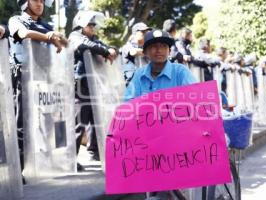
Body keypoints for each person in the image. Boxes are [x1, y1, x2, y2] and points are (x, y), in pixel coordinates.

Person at [8, 0, 67, 177]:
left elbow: (65, 41)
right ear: (25, 2)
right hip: (24, 77)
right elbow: (23, 33)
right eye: (36, 0)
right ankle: (17, 171)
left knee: (50, 121)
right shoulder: (16, 19)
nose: (40, 3)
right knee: (22, 124)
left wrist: (57, 36)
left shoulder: (46, 24)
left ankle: (52, 161)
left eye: (43, 1)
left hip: (45, 79)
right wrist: (49, 36)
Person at [69, 11, 117, 170]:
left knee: (96, 121)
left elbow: (106, 47)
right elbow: (83, 45)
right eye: (90, 25)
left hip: (94, 85)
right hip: (79, 85)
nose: (93, 27)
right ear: (81, 25)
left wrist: (109, 48)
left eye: (94, 25)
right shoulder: (75, 36)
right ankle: (70, 160)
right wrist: (105, 51)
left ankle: (94, 152)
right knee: (79, 123)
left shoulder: (94, 40)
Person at [124, 29, 196, 101]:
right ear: (145, 52)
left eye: (163, 46)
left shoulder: (181, 72)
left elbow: (195, 99)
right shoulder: (139, 75)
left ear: (169, 51)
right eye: (154, 46)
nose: (159, 50)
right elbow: (128, 103)